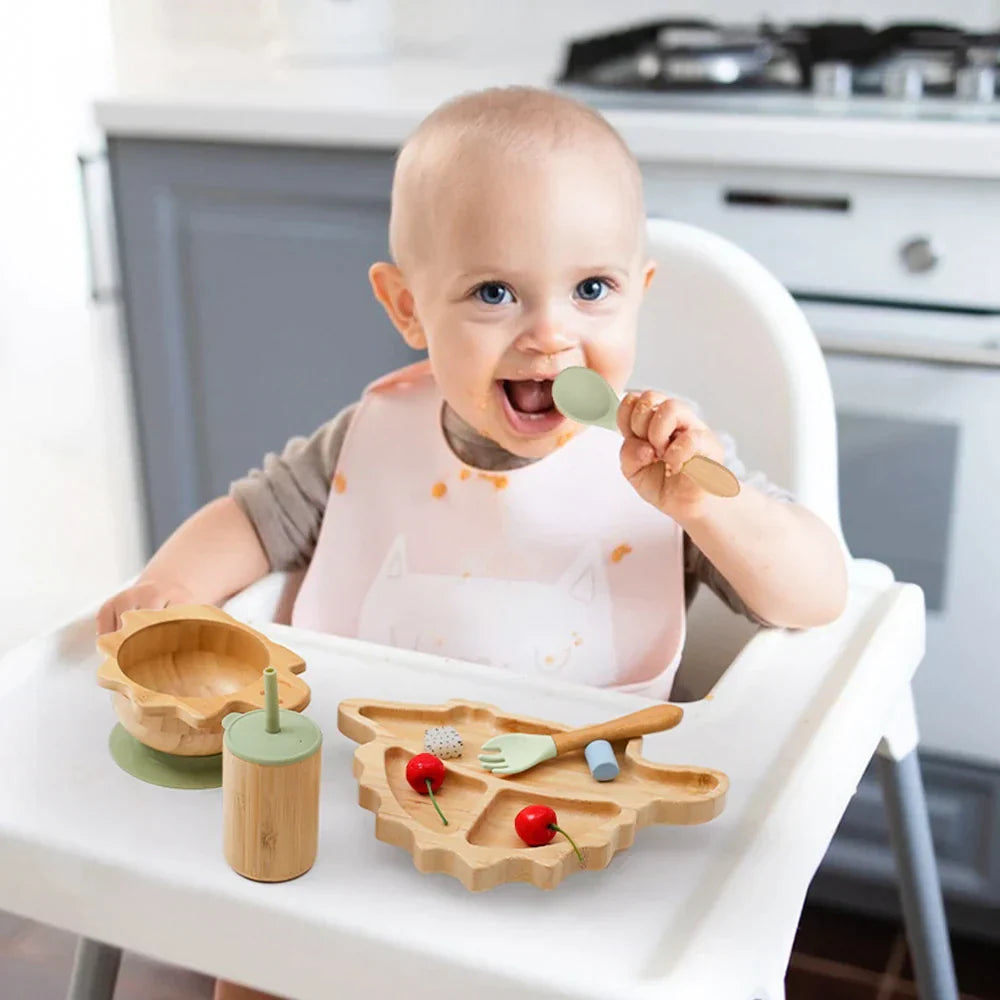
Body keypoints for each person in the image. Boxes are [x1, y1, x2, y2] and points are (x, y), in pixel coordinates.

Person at [97, 85, 848, 1000]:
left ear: (639, 294)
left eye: (592, 289)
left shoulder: (668, 466)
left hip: (564, 840)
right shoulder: (368, 438)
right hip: (352, 813)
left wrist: (710, 511)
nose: (550, 332)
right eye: (495, 291)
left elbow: (815, 597)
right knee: (253, 967)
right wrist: (168, 586)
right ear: (408, 308)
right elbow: (255, 518)